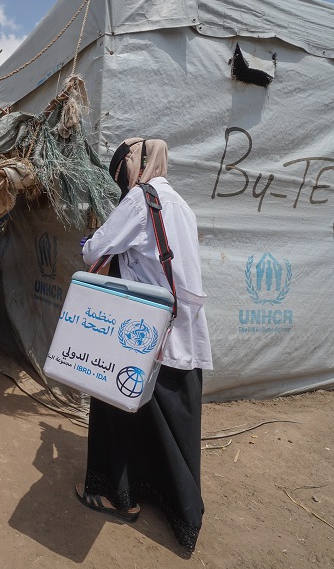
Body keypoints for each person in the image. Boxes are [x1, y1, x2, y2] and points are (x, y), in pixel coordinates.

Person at [77, 138, 213, 554]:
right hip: (183, 332)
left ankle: (118, 496)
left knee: (116, 407)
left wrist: (90, 244)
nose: (121, 179)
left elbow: (94, 251)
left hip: (142, 337)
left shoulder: (139, 200)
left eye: (120, 170)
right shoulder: (181, 205)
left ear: (132, 168)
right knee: (172, 423)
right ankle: (180, 511)